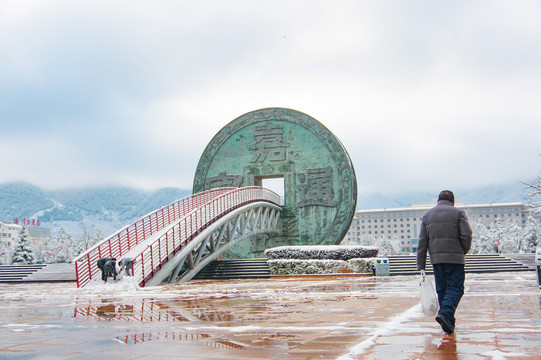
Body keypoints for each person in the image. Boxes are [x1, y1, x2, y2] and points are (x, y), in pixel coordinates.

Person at [417, 190, 472, 334]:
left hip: (437, 260)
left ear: (437, 201)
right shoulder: (459, 213)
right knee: (456, 288)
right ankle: (446, 313)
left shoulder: (427, 215)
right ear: (453, 201)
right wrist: (463, 250)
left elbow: (422, 241)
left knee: (442, 289)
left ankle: (448, 322)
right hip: (455, 259)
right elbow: (467, 235)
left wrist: (421, 265)